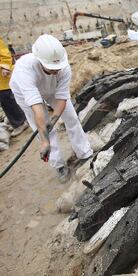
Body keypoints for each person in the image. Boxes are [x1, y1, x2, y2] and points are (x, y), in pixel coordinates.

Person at [10, 34, 93, 183]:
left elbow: (62, 97)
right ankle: (59, 165)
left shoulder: (64, 67)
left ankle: (85, 153)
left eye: (58, 67)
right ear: (39, 60)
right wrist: (44, 141)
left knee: (71, 118)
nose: (56, 70)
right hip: (24, 93)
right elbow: (37, 108)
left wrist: (54, 119)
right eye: (51, 68)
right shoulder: (25, 70)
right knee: (43, 130)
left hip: (52, 88)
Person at [0, 37, 28, 137]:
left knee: (7, 100)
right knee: (6, 101)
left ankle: (20, 123)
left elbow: (5, 54)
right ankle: (19, 120)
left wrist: (4, 67)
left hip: (2, 77)